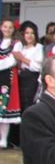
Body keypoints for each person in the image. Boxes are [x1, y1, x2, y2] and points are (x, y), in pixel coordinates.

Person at [12, 20, 43, 114]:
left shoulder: (39, 47)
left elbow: (38, 67)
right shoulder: (20, 46)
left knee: (28, 104)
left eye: (32, 33)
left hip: (31, 78)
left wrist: (22, 58)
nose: (29, 35)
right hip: (19, 77)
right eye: (27, 33)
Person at [0, 18, 21, 148]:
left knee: (5, 107)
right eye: (5, 27)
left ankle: (3, 140)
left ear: (14, 30)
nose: (7, 29)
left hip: (8, 78)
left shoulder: (16, 44)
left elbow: (12, 61)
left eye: (10, 27)